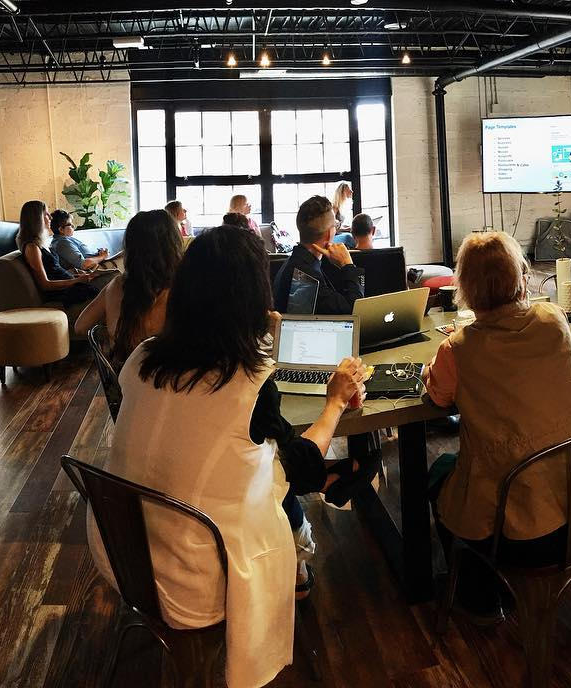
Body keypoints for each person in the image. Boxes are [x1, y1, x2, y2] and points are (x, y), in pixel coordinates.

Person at [87, 226, 369, 688]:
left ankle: (333, 484)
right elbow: (295, 469)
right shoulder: (248, 382)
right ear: (253, 298)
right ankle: (321, 514)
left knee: (253, 471)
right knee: (278, 482)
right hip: (191, 580)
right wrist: (335, 401)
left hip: (121, 549)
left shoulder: (142, 357)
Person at [423, 231, 571, 623]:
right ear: (521, 275)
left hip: (526, 535)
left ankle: (480, 597)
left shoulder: (458, 350)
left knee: (439, 474)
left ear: (464, 287)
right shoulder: (554, 320)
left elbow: (438, 397)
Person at [74, 209, 183, 361]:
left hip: (122, 380)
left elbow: (80, 326)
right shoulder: (182, 287)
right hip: (167, 379)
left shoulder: (116, 285)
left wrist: (113, 327)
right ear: (174, 245)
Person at [272, 195, 364, 314]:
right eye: (335, 225)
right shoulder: (305, 277)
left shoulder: (298, 262)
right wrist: (348, 265)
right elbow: (354, 310)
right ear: (329, 233)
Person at [16, 200, 98, 306]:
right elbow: (45, 285)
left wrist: (74, 274)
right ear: (36, 218)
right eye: (46, 214)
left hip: (69, 285)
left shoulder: (41, 243)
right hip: (62, 293)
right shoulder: (32, 247)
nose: (50, 217)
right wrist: (76, 281)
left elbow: (54, 271)